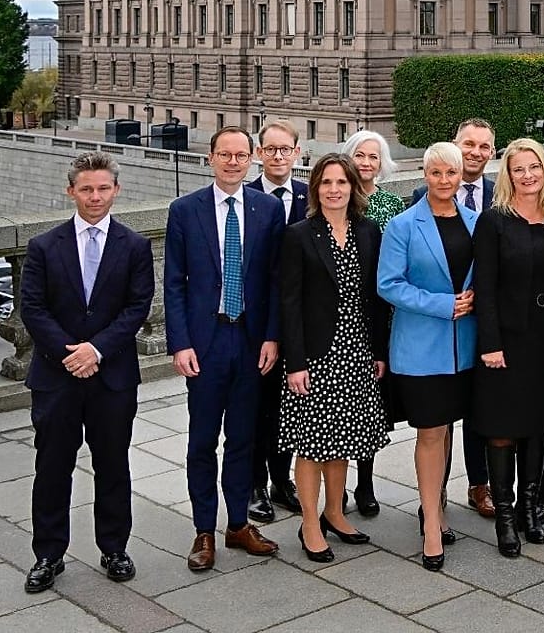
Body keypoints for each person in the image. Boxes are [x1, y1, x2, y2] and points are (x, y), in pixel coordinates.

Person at [21, 152, 155, 592]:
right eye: (86, 189)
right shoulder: (44, 246)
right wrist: (71, 354)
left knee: (113, 465)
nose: (95, 197)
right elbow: (33, 309)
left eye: (102, 188)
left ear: (116, 190)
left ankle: (114, 548)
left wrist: (95, 350)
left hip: (112, 377)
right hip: (56, 376)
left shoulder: (134, 246)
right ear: (71, 191)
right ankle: (48, 555)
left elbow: (136, 307)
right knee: (52, 467)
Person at [165, 127, 285, 572]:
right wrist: (180, 343)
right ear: (211, 158)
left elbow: (274, 280)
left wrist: (272, 336)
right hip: (206, 341)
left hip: (251, 341)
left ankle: (238, 524)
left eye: (240, 155)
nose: (233, 162)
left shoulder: (268, 209)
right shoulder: (185, 210)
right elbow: (174, 283)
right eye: (225, 155)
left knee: (243, 437)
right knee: (202, 440)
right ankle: (204, 530)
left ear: (252, 159)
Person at [277, 153, 389, 564]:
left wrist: (378, 351)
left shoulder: (368, 231)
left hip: (357, 352)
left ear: (353, 187)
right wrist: (295, 362)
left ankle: (335, 512)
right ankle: (310, 523)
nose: (334, 189)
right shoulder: (299, 235)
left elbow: (377, 298)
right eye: (326, 182)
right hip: (315, 356)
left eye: (341, 182)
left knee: (341, 438)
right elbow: (289, 303)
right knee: (311, 443)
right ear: (316, 189)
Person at [377, 142, 479, 572]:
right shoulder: (402, 225)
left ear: (461, 176)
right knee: (431, 433)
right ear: (424, 174)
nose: (443, 180)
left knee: (448, 429)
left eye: (451, 173)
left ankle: (437, 504)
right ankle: (432, 524)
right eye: (436, 172)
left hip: (465, 349)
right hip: (421, 348)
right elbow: (388, 284)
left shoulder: (476, 221)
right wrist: (443, 304)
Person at [472, 138, 544, 557]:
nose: (527, 175)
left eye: (534, 167)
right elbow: (485, 287)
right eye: (518, 169)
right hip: (505, 342)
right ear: (507, 176)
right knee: (502, 427)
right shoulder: (493, 221)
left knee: (538, 423)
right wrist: (490, 343)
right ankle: (506, 517)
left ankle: (530, 509)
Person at [414, 119, 497, 517]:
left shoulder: (501, 195)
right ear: (454, 145)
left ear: (492, 152)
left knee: (482, 409)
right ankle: (437, 491)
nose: (475, 152)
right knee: (440, 417)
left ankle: (480, 484)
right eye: (469, 144)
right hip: (442, 326)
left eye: (484, 146)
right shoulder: (421, 198)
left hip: (487, 322)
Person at [245, 119, 308, 525]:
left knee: (290, 407)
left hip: (299, 320)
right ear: (259, 154)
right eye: (270, 149)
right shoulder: (246, 196)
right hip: (258, 322)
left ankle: (282, 480)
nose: (278, 156)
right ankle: (255, 484)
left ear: (297, 153)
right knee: (259, 406)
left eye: (285, 149)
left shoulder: (310, 195)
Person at [341, 129, 404, 516]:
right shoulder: (336, 196)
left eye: (373, 157)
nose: (366, 163)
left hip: (379, 315)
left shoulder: (391, 204)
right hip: (341, 317)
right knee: (336, 406)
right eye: (360, 155)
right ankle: (335, 484)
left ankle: (364, 482)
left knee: (371, 407)